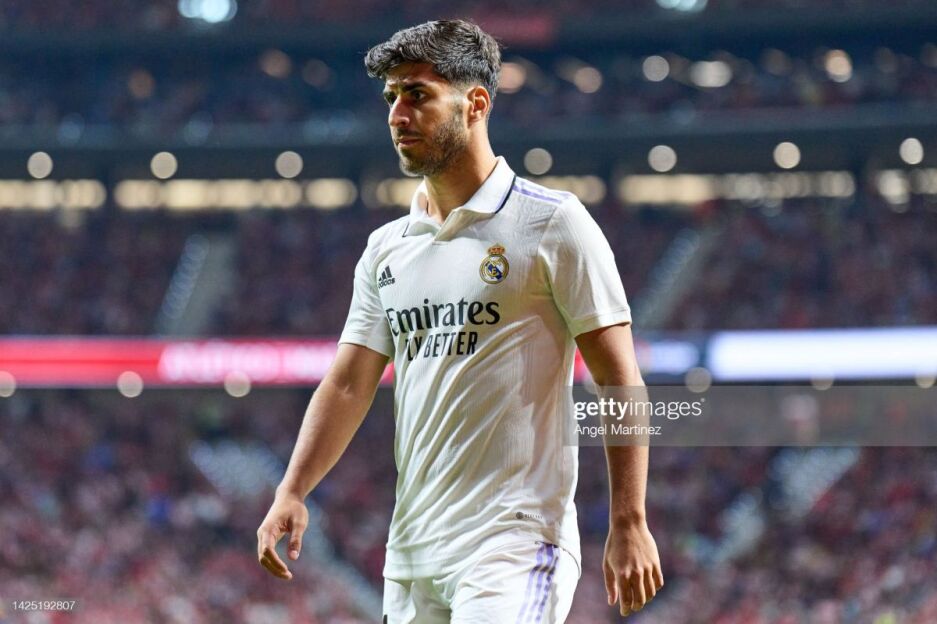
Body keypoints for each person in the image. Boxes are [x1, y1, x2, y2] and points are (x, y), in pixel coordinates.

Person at [257, 19, 663, 622]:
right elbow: (346, 385)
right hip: (412, 555)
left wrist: (629, 520)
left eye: (417, 94)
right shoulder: (386, 248)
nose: (397, 114)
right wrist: (292, 489)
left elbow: (619, 378)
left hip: (515, 543)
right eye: (391, 97)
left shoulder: (553, 222)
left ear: (475, 104)